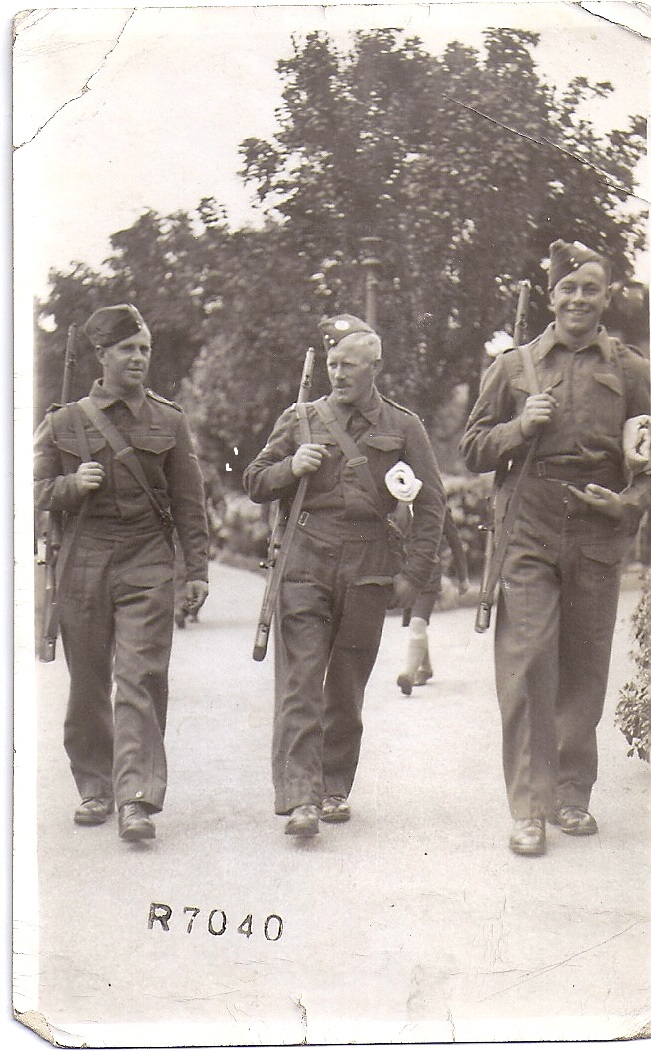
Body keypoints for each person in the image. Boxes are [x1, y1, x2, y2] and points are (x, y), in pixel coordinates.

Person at [460, 240, 650, 857]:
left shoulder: (632, 369)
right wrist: (521, 425)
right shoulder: (515, 367)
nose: (578, 299)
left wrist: (629, 503)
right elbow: (473, 450)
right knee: (528, 658)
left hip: (598, 524)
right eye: (567, 289)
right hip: (530, 521)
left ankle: (573, 793)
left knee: (585, 664)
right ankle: (531, 807)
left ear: (605, 297)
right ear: (550, 297)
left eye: (589, 288)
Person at [243, 313, 446, 837]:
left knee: (346, 689)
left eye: (349, 364)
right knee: (301, 682)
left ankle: (333, 787)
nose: (338, 373)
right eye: (332, 363)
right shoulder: (301, 418)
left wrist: (414, 574)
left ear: (375, 367)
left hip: (369, 568)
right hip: (306, 562)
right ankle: (301, 798)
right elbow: (254, 480)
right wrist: (292, 467)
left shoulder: (403, 426)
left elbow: (432, 505)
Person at [34, 304, 209, 841]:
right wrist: (68, 486)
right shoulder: (63, 421)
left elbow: (189, 501)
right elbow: (24, 492)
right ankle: (94, 785)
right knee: (88, 682)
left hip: (146, 559)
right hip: (83, 561)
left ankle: (136, 798)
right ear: (102, 355)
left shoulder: (168, 419)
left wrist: (195, 569)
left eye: (144, 349)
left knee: (141, 677)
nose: (138, 358)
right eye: (128, 349)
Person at [395, 506, 470, 696]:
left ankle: (408, 675)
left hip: (429, 574)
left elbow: (454, 541)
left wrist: (463, 577)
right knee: (415, 624)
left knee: (417, 624)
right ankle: (425, 668)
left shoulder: (436, 505)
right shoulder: (395, 501)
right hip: (406, 576)